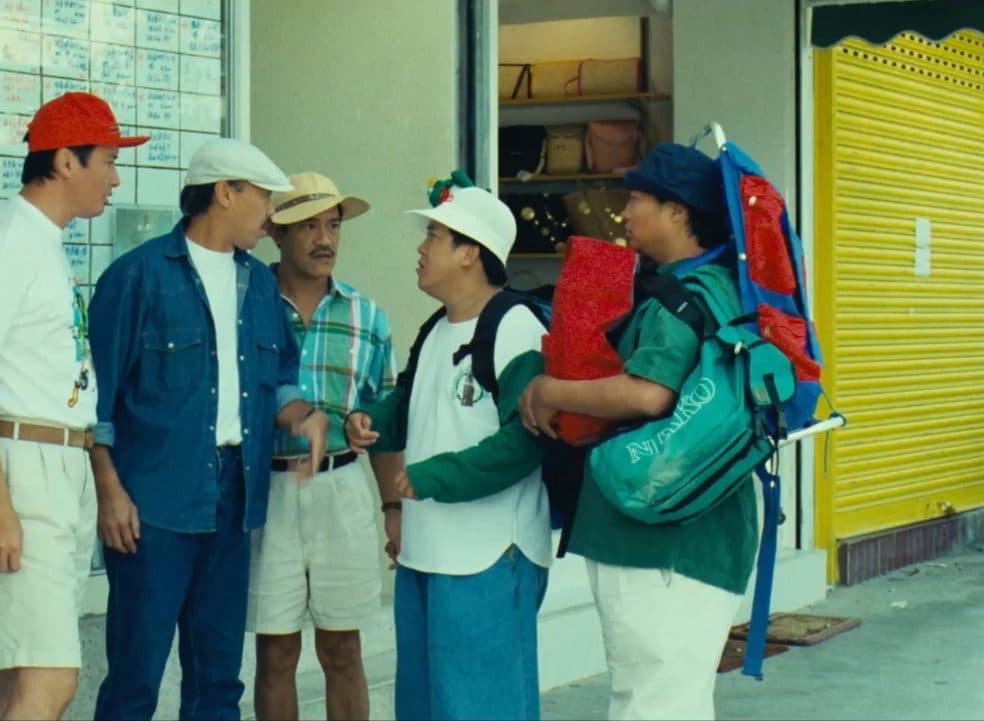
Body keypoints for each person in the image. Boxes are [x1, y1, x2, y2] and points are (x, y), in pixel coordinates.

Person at [88, 138, 330, 721]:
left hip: (235, 499)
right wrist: (109, 492)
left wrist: (304, 415)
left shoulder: (260, 285)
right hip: (151, 503)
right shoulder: (136, 276)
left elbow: (280, 377)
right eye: (264, 198)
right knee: (136, 678)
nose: (271, 214)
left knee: (219, 681)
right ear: (225, 193)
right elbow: (95, 402)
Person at [518, 143, 752, 721]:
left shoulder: (684, 298)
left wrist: (550, 391)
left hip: (659, 542)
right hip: (694, 534)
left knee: (650, 703)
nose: (624, 213)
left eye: (637, 198)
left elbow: (649, 393)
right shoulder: (723, 291)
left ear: (678, 211)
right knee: (670, 700)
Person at [0, 91, 147, 721]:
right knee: (51, 681)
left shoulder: (44, 243)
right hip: (19, 467)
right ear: (64, 161)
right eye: (108, 161)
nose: (115, 179)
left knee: (20, 682)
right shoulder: (6, 240)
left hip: (55, 464)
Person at [345, 180, 552, 720]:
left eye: (434, 235)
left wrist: (436, 476)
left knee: (482, 708)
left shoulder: (515, 327)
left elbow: (526, 441)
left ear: (469, 253)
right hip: (426, 551)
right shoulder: (436, 327)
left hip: (489, 556)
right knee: (423, 706)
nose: (421, 247)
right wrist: (370, 422)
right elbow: (410, 402)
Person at [250, 171, 403, 721]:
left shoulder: (367, 315)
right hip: (266, 488)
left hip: (342, 486)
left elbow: (386, 419)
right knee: (275, 652)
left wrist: (393, 509)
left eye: (333, 226)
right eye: (308, 226)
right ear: (277, 234)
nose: (325, 239)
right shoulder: (250, 304)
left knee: (343, 650)